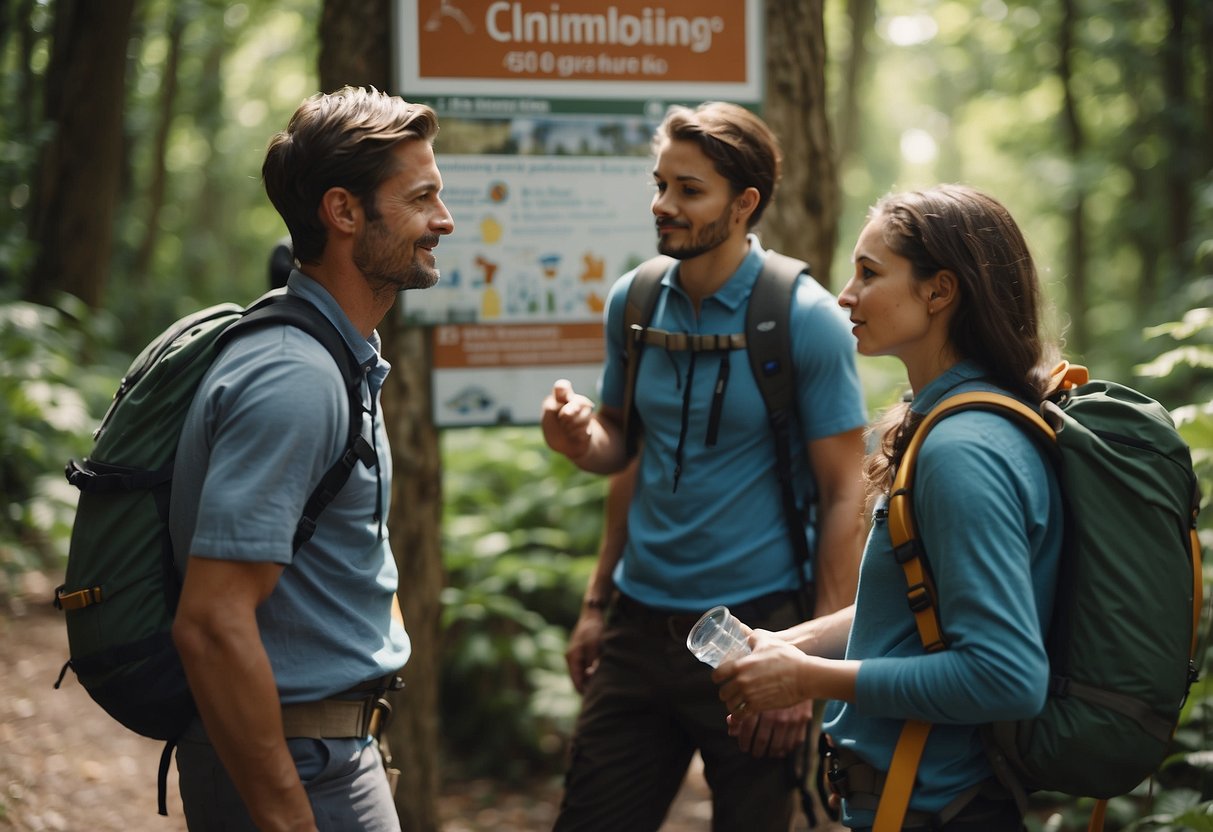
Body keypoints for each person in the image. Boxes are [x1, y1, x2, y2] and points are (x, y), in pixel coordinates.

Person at [541, 101, 868, 831]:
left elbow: (845, 490)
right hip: (637, 626)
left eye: (689, 190)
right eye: (660, 185)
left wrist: (806, 666)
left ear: (743, 203)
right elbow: (622, 450)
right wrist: (577, 445)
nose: (663, 206)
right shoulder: (633, 300)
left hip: (756, 631)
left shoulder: (804, 318)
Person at [712, 184, 1064, 831]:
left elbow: (1005, 675)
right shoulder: (945, 424)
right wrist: (790, 645)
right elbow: (906, 609)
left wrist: (810, 680)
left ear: (939, 291)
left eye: (868, 273)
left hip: (939, 808)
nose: (845, 295)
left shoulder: (963, 450)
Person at [168, 86, 454, 831]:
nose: (443, 221)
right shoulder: (296, 377)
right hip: (296, 766)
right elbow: (211, 621)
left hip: (327, 750)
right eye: (422, 198)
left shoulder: (334, 357)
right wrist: (288, 816)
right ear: (344, 211)